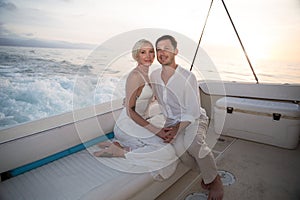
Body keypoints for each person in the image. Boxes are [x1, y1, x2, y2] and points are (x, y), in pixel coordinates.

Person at [150, 35, 224, 200]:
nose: (162, 53)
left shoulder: (188, 77)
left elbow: (192, 111)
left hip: (194, 119)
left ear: (176, 51)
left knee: (193, 144)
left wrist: (175, 130)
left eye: (166, 49)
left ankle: (215, 179)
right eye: (159, 50)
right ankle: (205, 173)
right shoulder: (154, 76)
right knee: (179, 151)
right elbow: (153, 95)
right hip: (172, 121)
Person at [93, 39, 178, 179]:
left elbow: (156, 98)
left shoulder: (149, 76)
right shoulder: (134, 76)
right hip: (128, 124)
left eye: (151, 52)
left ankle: (120, 145)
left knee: (170, 139)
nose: (148, 56)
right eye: (143, 52)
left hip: (140, 122)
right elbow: (130, 111)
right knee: (167, 152)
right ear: (136, 55)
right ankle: (120, 152)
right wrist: (157, 131)